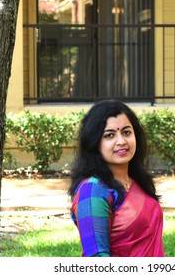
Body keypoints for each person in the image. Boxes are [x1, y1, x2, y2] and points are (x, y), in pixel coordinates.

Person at [68, 100, 165, 257]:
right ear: (94, 143)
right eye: (109, 135)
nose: (121, 141)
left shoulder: (138, 181)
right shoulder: (92, 191)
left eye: (126, 132)